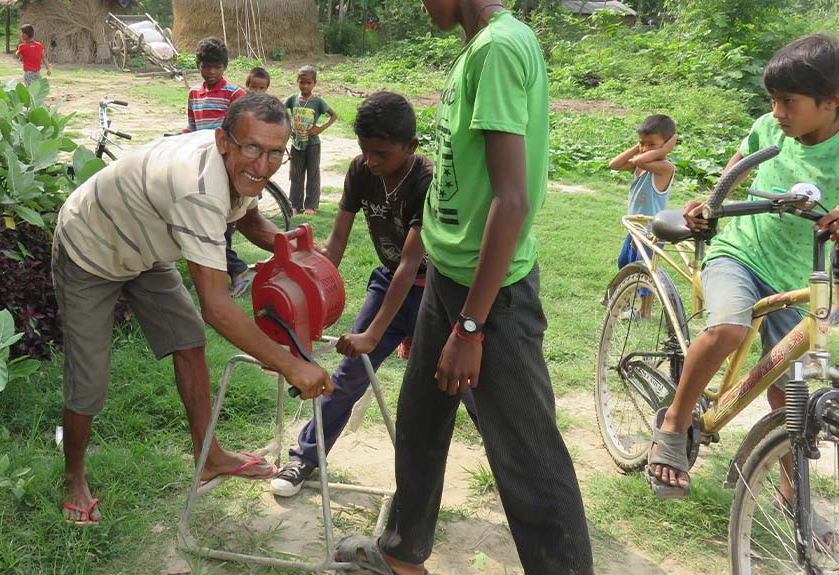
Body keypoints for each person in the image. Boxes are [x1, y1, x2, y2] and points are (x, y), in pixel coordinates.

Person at [333, 1, 593, 573]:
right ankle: (402, 554)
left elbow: (512, 198)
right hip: (446, 278)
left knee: (527, 455)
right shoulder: (476, 50)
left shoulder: (499, 48)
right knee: (420, 421)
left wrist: (471, 326)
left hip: (491, 294)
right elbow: (459, 179)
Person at [53, 94, 334, 525]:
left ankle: (210, 456)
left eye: (276, 152)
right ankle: (74, 476)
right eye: (253, 149)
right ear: (224, 141)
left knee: (189, 342)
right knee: (90, 375)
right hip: (90, 247)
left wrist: (293, 251)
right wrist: (291, 365)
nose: (263, 165)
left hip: (145, 249)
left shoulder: (235, 168)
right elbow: (218, 308)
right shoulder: (198, 187)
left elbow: (247, 219)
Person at [649, 34, 839, 504]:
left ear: (831, 101)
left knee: (787, 388)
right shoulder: (770, 131)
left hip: (799, 276)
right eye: (773, 100)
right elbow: (735, 172)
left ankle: (792, 499)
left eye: (789, 102)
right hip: (740, 254)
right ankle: (674, 423)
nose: (777, 111)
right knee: (729, 329)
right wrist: (709, 205)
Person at [272, 92, 478, 496]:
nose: (371, 161)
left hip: (436, 291)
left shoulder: (427, 180)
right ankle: (304, 459)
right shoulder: (360, 171)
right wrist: (309, 287)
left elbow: (410, 262)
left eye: (382, 153)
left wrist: (373, 333)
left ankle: (516, 480)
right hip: (388, 282)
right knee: (350, 376)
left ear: (411, 147)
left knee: (465, 384)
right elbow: (337, 243)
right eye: (365, 151)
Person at [180, 37, 254, 297]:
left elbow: (242, 132)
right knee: (207, 223)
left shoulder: (235, 95)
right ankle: (226, 273)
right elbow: (192, 127)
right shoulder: (194, 94)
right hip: (200, 168)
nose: (211, 72)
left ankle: (237, 270)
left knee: (221, 226)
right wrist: (176, 138)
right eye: (206, 66)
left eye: (216, 66)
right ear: (198, 66)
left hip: (226, 169)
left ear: (224, 67)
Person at [607, 114, 677, 318]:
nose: (645, 149)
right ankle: (625, 298)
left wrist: (663, 152)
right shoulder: (641, 164)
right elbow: (614, 164)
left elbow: (639, 160)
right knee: (625, 263)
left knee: (646, 270)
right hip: (635, 228)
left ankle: (643, 311)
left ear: (668, 144)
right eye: (642, 143)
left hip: (651, 231)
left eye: (652, 145)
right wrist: (641, 147)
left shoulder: (665, 167)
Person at [286, 65, 337, 216]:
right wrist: (289, 129)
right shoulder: (292, 99)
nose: (305, 86)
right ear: (297, 81)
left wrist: (320, 129)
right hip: (297, 144)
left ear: (315, 83)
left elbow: (333, 115)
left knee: (313, 174)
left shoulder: (318, 101)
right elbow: (280, 111)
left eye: (309, 83)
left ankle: (311, 206)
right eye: (302, 82)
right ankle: (294, 204)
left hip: (313, 144)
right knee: (296, 174)